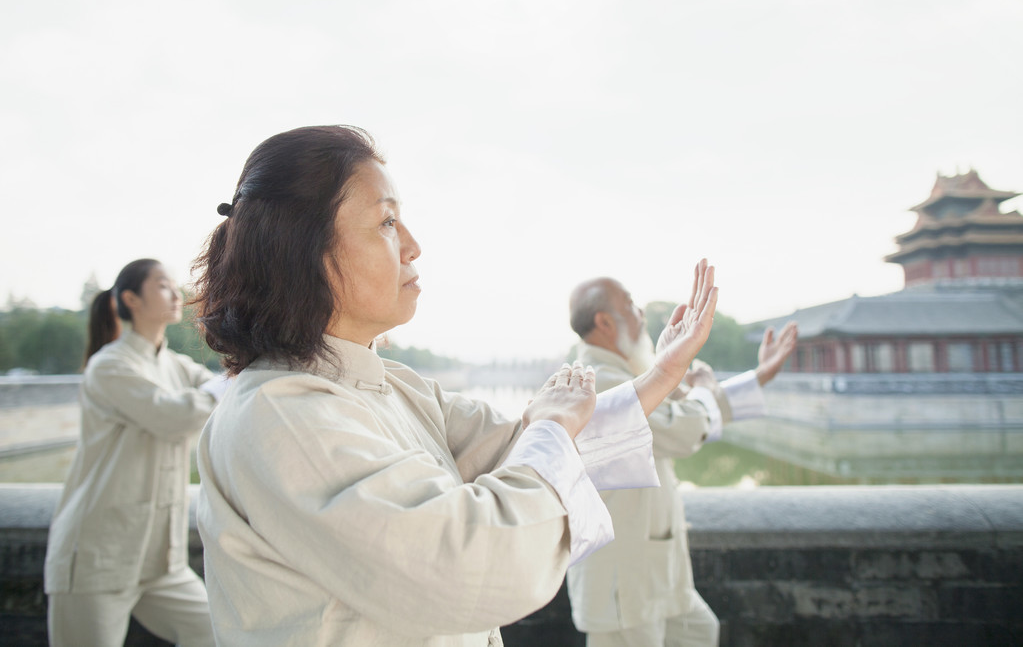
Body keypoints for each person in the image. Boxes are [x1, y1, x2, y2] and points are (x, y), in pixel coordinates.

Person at [190, 124, 721, 646]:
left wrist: (662, 374)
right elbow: (465, 562)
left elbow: (526, 442)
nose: (413, 246)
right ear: (304, 251)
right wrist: (555, 423)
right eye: (387, 223)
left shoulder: (392, 386)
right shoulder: (282, 416)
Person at [566, 276, 798, 647]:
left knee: (700, 633)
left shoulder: (625, 375)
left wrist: (758, 377)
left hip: (656, 570)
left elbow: (687, 409)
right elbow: (683, 429)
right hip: (623, 579)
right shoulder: (598, 382)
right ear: (604, 322)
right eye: (629, 304)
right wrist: (696, 386)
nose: (640, 313)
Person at [44, 259, 224, 646]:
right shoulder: (109, 365)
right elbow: (171, 415)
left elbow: (227, 391)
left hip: (161, 561)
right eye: (163, 286)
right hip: (98, 556)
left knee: (219, 633)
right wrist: (218, 389)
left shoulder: (177, 366)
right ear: (131, 299)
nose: (177, 294)